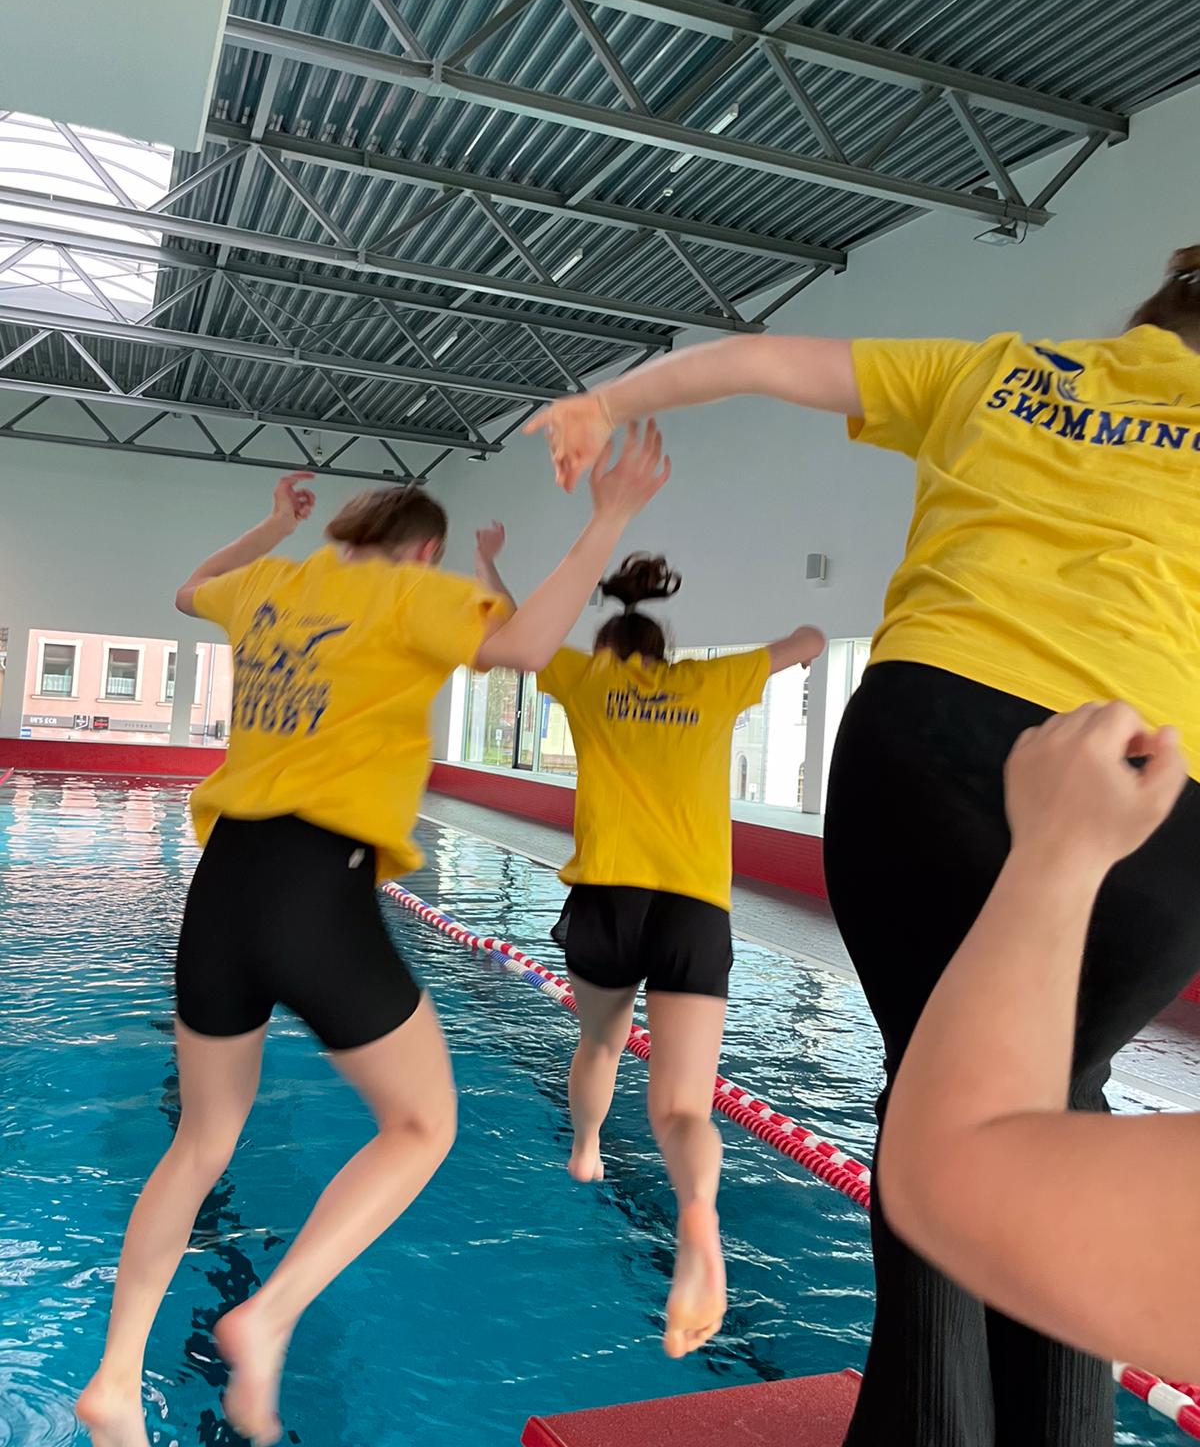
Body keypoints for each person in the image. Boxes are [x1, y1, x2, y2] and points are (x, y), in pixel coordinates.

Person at [525, 248, 1200, 1446]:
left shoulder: (1000, 369)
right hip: (1155, 782)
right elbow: (792, 638)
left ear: (1148, 315)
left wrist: (606, 402)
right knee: (1062, 1096)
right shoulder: (710, 681)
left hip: (931, 742)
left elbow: (760, 360)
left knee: (939, 1094)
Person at [77, 423, 670, 1447]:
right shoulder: (411, 593)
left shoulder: (270, 587)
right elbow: (527, 646)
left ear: (342, 533)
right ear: (425, 552)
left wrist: (273, 524)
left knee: (199, 1142)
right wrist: (610, 516)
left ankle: (116, 1378)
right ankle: (270, 1313)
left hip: (222, 886)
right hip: (318, 887)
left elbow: (187, 589)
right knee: (423, 1125)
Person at [475, 524, 824, 1360]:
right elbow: (811, 639)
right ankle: (698, 1216)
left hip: (607, 899)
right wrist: (800, 636)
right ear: (665, 650)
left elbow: (515, 632)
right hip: (694, 911)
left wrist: (489, 561)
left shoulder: (586, 680)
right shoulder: (714, 681)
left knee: (600, 1043)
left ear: (609, 648)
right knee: (683, 1108)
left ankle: (587, 1148)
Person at [881, 701, 1197, 1381]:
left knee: (927, 1080)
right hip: (1176, 810)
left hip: (946, 728)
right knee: (1076, 1093)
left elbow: (954, 1178)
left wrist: (1060, 851)